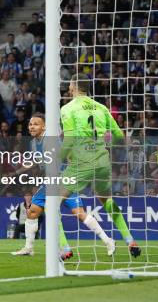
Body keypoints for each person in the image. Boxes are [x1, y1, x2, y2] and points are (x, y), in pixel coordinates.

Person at [11, 112, 114, 259]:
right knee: (32, 212)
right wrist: (18, 171)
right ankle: (29, 248)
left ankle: (95, 243)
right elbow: (37, 161)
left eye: (36, 124)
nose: (32, 127)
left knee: (75, 213)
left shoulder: (51, 140)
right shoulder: (34, 143)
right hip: (51, 181)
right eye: (30, 124)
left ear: (44, 126)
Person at [60, 73, 141, 257]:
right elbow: (120, 136)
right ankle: (130, 240)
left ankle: (64, 249)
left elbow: (70, 139)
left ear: (72, 87)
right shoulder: (102, 108)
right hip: (103, 162)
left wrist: (57, 158)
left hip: (82, 162)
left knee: (50, 202)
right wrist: (105, 148)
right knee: (106, 201)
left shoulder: (68, 108)